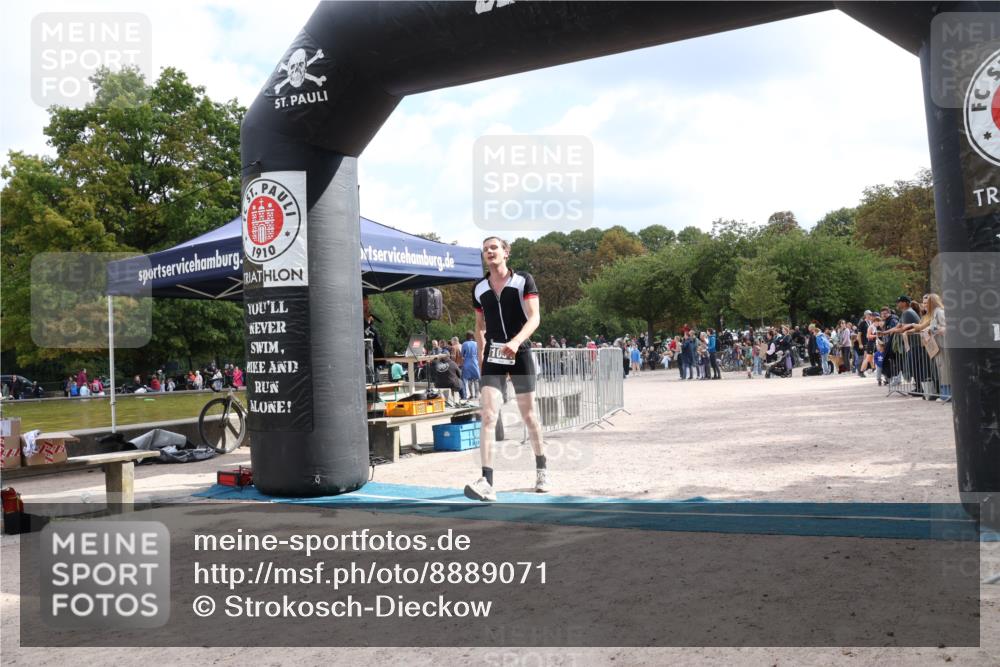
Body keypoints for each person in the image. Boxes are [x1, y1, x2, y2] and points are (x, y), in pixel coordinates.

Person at [464, 236, 547, 502]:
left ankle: (542, 469)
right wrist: (481, 352)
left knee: (529, 416)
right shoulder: (479, 288)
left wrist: (516, 341)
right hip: (494, 355)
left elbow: (534, 317)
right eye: (485, 249)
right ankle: (486, 482)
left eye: (494, 248)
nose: (489, 252)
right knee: (488, 415)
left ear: (505, 252)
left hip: (519, 351)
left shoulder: (523, 280)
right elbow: (480, 325)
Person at [460, 330, 480, 402]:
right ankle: (477, 395)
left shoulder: (464, 344)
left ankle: (471, 395)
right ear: (472, 336)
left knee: (469, 380)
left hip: (467, 363)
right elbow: (479, 354)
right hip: (475, 362)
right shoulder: (476, 344)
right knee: (476, 379)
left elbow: (462, 355)